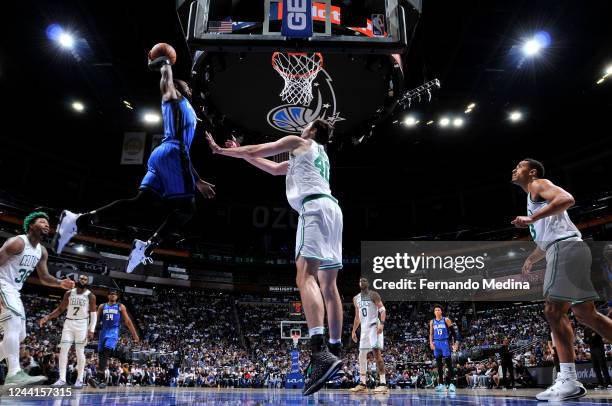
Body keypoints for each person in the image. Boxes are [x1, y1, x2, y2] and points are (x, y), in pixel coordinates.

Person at [206, 119, 343, 396]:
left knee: (304, 276)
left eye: (307, 125)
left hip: (313, 208)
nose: (302, 128)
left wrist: (223, 151)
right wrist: (243, 154)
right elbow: (271, 168)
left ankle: (319, 352)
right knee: (329, 286)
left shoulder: (299, 142)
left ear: (313, 131)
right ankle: (335, 346)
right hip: (333, 210)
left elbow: (259, 150)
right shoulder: (317, 156)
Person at [53, 48, 215, 273]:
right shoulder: (174, 99)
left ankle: (79, 220)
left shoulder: (188, 109)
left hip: (163, 155)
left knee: (140, 202)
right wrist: (165, 64)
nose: (188, 86)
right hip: (172, 153)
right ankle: (147, 247)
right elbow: (167, 85)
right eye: (184, 85)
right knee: (187, 209)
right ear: (178, 88)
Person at [511, 158, 612, 400]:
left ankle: (568, 380)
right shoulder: (533, 199)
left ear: (532, 172)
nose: (515, 169)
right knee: (586, 314)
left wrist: (532, 220)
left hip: (565, 249)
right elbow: (546, 240)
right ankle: (568, 380)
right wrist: (531, 259)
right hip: (569, 248)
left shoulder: (538, 184)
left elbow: (567, 199)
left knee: (553, 310)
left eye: (520, 166)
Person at [0, 211, 75, 385]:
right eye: (42, 222)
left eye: (48, 223)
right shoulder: (17, 242)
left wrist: (59, 283)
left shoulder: (41, 251)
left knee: (20, 335)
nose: (47, 225)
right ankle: (13, 373)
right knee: (11, 326)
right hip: (2, 285)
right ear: (31, 225)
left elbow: (44, 277)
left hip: (14, 291)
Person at [39, 274, 97, 388]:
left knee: (80, 351)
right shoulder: (69, 293)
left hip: (82, 324)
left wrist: (91, 329)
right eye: (81, 278)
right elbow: (60, 309)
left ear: (87, 281)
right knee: (63, 350)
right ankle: (62, 379)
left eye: (85, 279)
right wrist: (47, 317)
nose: (83, 280)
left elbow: (93, 313)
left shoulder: (90, 295)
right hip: (69, 323)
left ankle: (79, 380)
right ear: (78, 280)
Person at [88, 289, 139, 388]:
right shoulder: (102, 306)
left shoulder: (120, 306)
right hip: (103, 331)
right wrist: (90, 330)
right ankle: (101, 380)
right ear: (108, 296)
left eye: (115, 294)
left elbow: (128, 321)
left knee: (106, 351)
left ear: (117, 297)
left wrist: (134, 334)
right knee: (102, 354)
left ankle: (97, 377)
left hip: (113, 331)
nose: (113, 296)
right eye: (111, 294)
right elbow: (96, 320)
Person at [349, 277, 388, 394]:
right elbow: (357, 317)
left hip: (374, 326)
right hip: (364, 329)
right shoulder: (356, 298)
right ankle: (362, 383)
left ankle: (383, 383)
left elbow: (382, 310)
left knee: (376, 353)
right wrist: (353, 330)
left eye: (364, 280)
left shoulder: (373, 294)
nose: (362, 282)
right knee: (361, 354)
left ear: (368, 283)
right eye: (360, 281)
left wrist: (382, 323)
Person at [429, 304, 460, 392]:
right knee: (439, 365)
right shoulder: (432, 322)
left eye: (438, 310)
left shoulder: (446, 320)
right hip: (436, 343)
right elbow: (431, 334)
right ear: (434, 312)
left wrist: (455, 343)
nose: (437, 311)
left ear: (441, 311)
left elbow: (454, 333)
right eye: (435, 310)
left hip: (445, 342)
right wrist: (431, 342)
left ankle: (451, 384)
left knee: (449, 364)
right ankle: (441, 384)